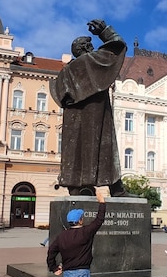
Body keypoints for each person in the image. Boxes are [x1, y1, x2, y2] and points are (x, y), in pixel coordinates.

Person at [50, 19, 130, 197]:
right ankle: (116, 189)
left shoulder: (65, 72)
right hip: (97, 113)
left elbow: (59, 94)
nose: (93, 48)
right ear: (86, 48)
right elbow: (118, 47)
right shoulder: (92, 61)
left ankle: (77, 188)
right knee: (105, 146)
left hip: (74, 119)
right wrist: (104, 32)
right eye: (91, 45)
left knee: (75, 148)